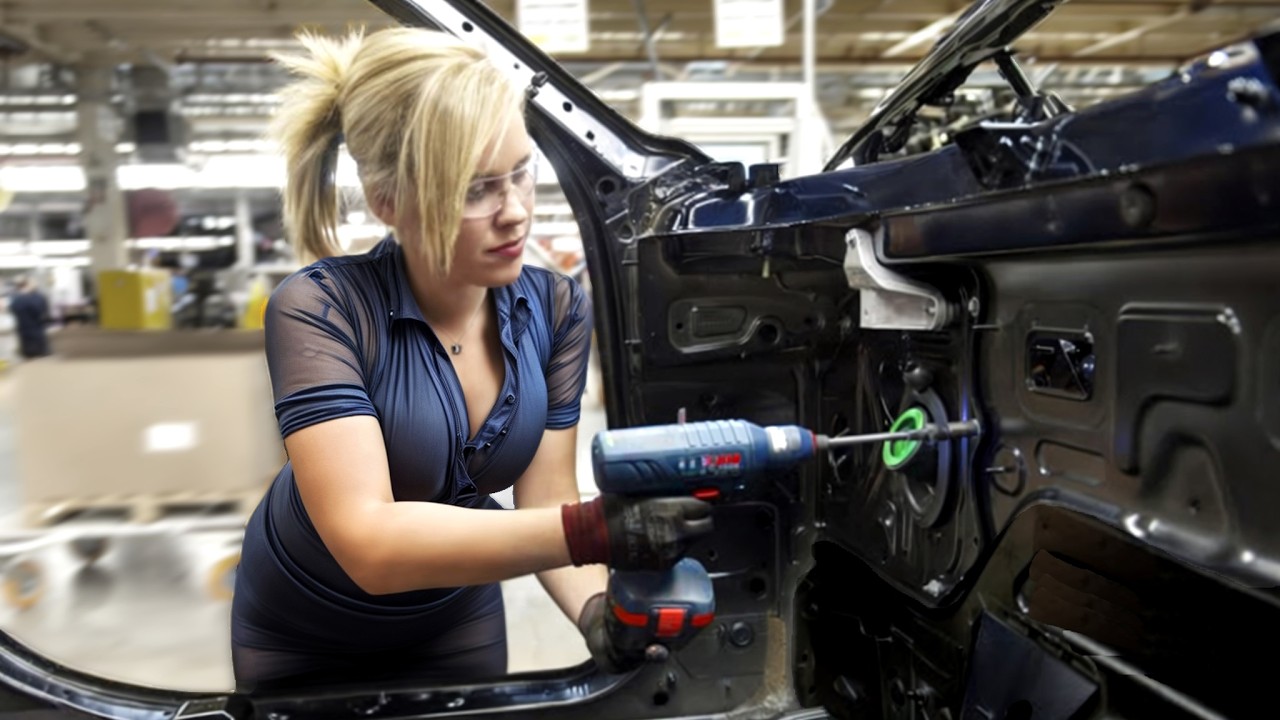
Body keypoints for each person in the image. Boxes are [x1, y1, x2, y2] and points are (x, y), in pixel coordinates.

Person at [230, 28, 713, 692]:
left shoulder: (556, 308)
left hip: (456, 612)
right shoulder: (321, 308)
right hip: (306, 627)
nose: (516, 212)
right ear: (388, 203)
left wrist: (597, 608)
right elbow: (368, 542)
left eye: (521, 171)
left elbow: (545, 497)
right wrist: (597, 531)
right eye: (475, 190)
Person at [8, 276, 51, 359]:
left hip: (27, 327)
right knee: (37, 350)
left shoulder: (16, 298)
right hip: (33, 327)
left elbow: (13, 310)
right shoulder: (35, 297)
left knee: (31, 350)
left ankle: (32, 354)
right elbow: (42, 311)